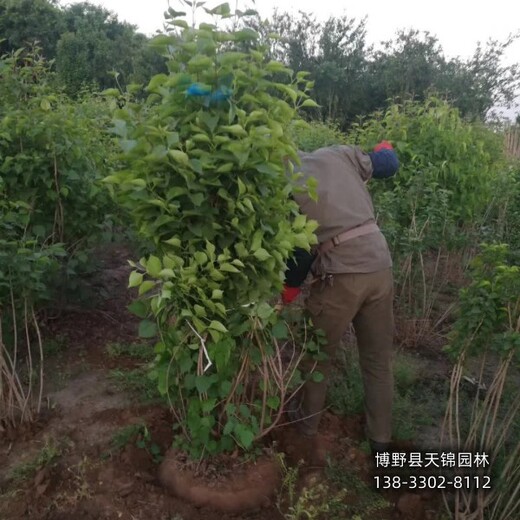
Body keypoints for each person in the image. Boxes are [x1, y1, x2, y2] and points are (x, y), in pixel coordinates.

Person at [282, 141, 400, 455]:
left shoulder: (285, 182)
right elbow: (387, 164)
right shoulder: (338, 154)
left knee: (317, 355)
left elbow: (300, 251)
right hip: (380, 264)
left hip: (342, 273)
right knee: (377, 361)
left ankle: (306, 427)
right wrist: (385, 147)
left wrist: (288, 291)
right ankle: (381, 439)